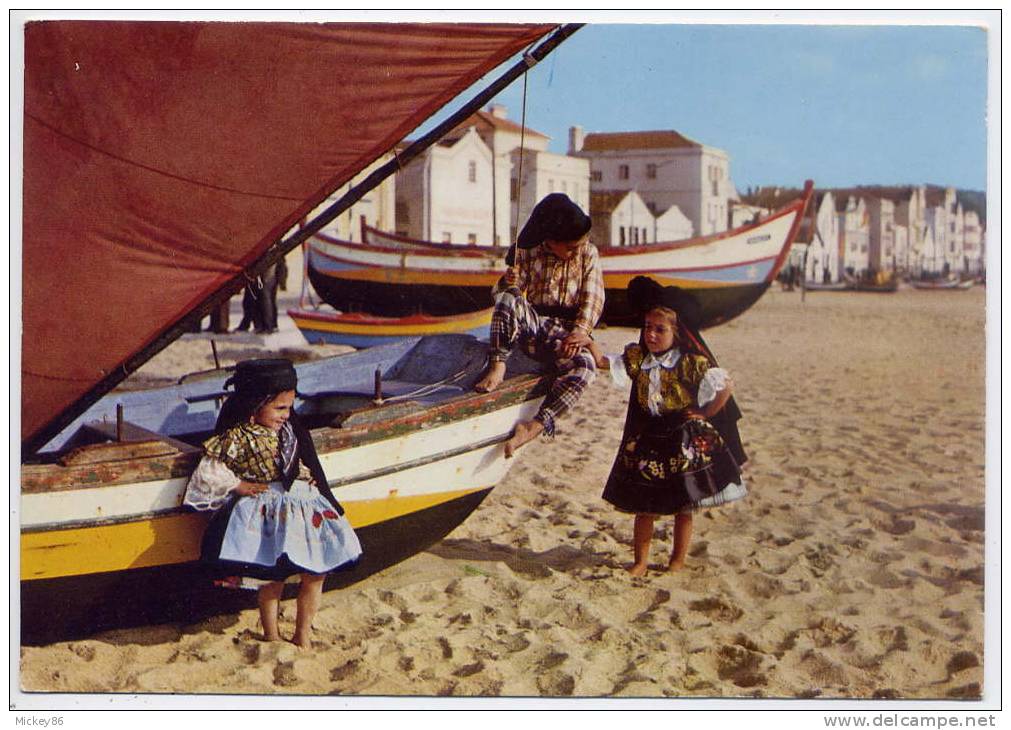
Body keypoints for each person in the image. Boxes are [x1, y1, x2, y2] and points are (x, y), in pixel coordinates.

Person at [182, 358, 362, 647]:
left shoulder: (292, 430)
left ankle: (303, 633)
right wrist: (239, 485)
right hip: (267, 511)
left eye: (290, 408)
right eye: (279, 408)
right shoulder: (238, 436)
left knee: (316, 573)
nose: (286, 415)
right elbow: (210, 470)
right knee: (271, 576)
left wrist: (309, 478)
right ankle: (272, 635)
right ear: (255, 406)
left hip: (304, 508)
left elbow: (307, 462)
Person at [596, 276, 747, 576]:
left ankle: (677, 560)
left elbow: (724, 386)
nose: (651, 335)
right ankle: (640, 561)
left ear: (676, 334)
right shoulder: (639, 359)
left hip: (680, 440)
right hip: (649, 438)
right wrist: (589, 345)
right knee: (644, 504)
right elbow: (606, 363)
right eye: (648, 328)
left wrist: (704, 413)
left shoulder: (688, 362)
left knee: (683, 504)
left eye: (660, 330)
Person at [474, 193, 605, 457]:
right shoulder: (530, 253)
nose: (575, 251)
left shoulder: (588, 253)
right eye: (569, 247)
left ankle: (535, 425)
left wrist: (580, 333)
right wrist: (508, 281)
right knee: (509, 296)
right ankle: (498, 363)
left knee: (586, 367)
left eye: (579, 245)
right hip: (533, 325)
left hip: (564, 331)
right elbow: (502, 300)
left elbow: (593, 297)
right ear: (551, 241)